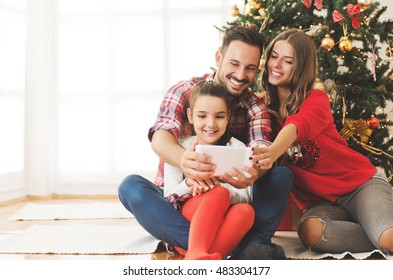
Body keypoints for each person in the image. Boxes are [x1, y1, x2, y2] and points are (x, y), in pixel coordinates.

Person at [118, 25, 293, 260]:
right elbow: (161, 135)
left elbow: (260, 151)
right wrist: (185, 162)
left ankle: (238, 245)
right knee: (130, 186)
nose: (241, 74)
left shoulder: (254, 106)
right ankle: (228, 248)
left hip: (233, 201)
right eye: (234, 63)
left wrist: (253, 174)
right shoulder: (185, 91)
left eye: (250, 68)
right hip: (180, 200)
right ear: (219, 58)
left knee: (279, 176)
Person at [252, 28, 393, 254]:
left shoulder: (316, 99)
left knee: (388, 240)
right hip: (320, 206)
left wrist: (273, 151)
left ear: (300, 68)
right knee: (311, 233)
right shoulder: (260, 109)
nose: (276, 65)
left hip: (359, 186)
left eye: (287, 61)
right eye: (274, 56)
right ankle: (373, 230)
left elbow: (297, 126)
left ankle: (379, 231)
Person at [164, 80, 254, 260]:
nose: (211, 124)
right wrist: (189, 184)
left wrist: (224, 188)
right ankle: (196, 251)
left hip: (222, 224)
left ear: (228, 116)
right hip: (189, 222)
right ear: (190, 116)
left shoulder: (238, 148)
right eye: (202, 116)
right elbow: (168, 198)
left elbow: (246, 196)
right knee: (218, 194)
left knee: (246, 211)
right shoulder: (180, 150)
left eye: (219, 116)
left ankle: (206, 258)